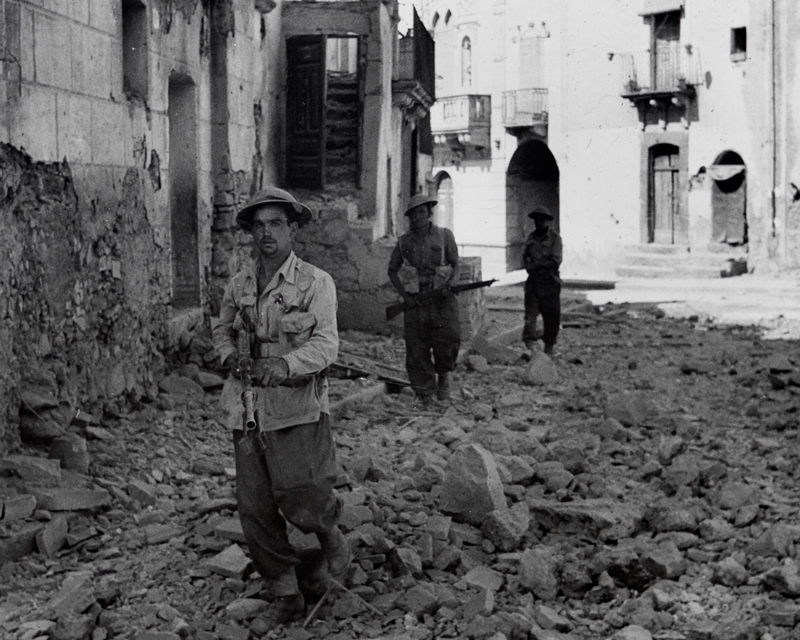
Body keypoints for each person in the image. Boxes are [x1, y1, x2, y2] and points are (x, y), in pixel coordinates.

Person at [212, 187, 349, 631]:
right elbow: (220, 330)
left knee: (303, 492)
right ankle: (286, 594)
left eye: (275, 224)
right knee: (254, 507)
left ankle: (329, 535)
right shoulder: (239, 285)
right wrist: (228, 354)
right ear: (251, 233)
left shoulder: (315, 282)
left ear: (292, 229)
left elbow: (327, 345)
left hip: (297, 406)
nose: (266, 233)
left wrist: (285, 363)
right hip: (248, 410)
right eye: (258, 225)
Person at [388, 194, 461, 402]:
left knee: (448, 339)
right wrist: (405, 295)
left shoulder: (445, 236)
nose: (417, 217)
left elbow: (457, 264)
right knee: (416, 348)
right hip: (416, 301)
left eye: (421, 212)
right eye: (413, 214)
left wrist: (450, 285)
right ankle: (426, 393)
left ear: (429, 213)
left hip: (441, 299)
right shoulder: (403, 242)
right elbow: (392, 270)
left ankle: (444, 377)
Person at [522, 206, 562, 355]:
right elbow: (525, 255)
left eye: (542, 220)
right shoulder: (531, 238)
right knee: (530, 317)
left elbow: (556, 260)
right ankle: (531, 347)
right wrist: (527, 264)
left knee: (551, 317)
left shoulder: (555, 239)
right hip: (533, 281)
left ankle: (549, 347)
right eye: (536, 220)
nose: (539, 223)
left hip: (549, 282)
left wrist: (538, 264)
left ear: (547, 222)